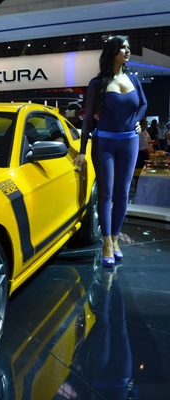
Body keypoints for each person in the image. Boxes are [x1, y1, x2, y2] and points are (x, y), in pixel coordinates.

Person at [73, 35, 147, 268]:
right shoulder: (97, 83)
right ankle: (106, 242)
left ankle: (115, 238)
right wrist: (82, 150)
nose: (127, 51)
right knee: (106, 192)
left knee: (123, 192)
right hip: (104, 142)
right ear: (112, 51)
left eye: (128, 47)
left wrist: (137, 120)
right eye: (122, 47)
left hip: (130, 142)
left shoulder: (134, 80)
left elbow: (143, 104)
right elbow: (87, 119)